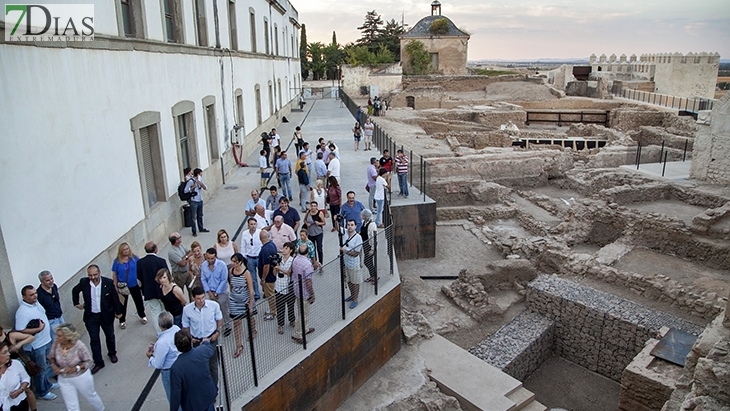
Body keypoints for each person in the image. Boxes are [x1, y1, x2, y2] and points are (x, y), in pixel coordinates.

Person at [71, 265, 122, 375]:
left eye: (95, 275)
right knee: (94, 340)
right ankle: (98, 362)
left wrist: (118, 312)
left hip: (106, 315)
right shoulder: (84, 282)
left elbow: (114, 297)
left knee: (110, 336)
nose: (93, 277)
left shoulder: (107, 283)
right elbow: (75, 291)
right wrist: (76, 303)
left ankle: (112, 353)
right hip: (91, 316)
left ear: (99, 273)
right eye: (90, 275)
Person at [14, 285, 56, 400]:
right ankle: (42, 392)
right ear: (24, 296)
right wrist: (37, 330)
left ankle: (47, 385)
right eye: (31, 295)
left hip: (46, 341)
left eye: (35, 293)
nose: (35, 296)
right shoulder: (22, 312)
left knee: (45, 365)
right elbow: (20, 330)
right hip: (36, 346)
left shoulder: (36, 303)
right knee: (40, 370)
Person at [49, 323, 104, 411]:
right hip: (64, 378)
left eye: (59, 336)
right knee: (71, 406)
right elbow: (51, 356)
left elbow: (89, 361)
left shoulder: (79, 346)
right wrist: (53, 366)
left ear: (67, 337)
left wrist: (76, 368)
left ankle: (100, 409)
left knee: (91, 396)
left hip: (81, 377)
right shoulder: (56, 344)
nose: (56, 338)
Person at [181, 287, 222, 386]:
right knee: (199, 366)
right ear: (193, 298)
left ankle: (214, 388)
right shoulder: (187, 310)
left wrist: (217, 332)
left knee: (213, 365)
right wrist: (190, 337)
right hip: (197, 342)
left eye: (203, 297)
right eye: (198, 298)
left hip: (211, 339)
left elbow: (219, 319)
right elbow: (185, 325)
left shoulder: (214, 306)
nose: (201, 300)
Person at [169, 329, 218, 411]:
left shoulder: (176, 367)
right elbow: (210, 349)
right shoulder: (202, 351)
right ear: (191, 341)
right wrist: (206, 342)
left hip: (192, 405)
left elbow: (175, 394)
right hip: (207, 396)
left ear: (176, 346)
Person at [145, 312, 180, 406]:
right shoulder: (176, 329)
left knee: (173, 398)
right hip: (180, 367)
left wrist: (150, 357)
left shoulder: (162, 342)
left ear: (160, 325)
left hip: (169, 372)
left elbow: (158, 364)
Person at [0, 326, 36, 411]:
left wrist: (17, 346)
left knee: (28, 390)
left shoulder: (10, 336)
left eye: (8, 351)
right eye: (5, 352)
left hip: (16, 367)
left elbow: (31, 337)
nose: (8, 353)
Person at [111, 243, 145, 330]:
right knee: (122, 304)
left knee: (139, 301)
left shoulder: (134, 258)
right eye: (124, 249)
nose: (126, 251)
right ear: (121, 251)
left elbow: (141, 269)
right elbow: (114, 274)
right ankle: (122, 321)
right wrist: (115, 286)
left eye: (127, 249)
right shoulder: (117, 261)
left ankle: (142, 315)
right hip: (123, 286)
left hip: (134, 284)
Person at [228, 253, 256, 357]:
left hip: (245, 300)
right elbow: (231, 285)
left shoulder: (246, 273)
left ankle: (253, 330)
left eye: (235, 261)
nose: (233, 263)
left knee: (250, 317)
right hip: (234, 300)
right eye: (232, 261)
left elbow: (251, 289)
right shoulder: (231, 271)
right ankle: (239, 345)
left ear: (240, 262)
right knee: (236, 322)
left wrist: (250, 303)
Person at [138, 241, 168, 333]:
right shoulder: (161, 261)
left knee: (155, 313)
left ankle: (159, 333)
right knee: (164, 311)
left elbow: (139, 280)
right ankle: (167, 331)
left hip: (149, 291)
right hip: (162, 290)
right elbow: (168, 277)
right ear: (155, 249)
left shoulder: (140, 263)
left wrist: (143, 290)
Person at [290, 244, 315, 344]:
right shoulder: (307, 264)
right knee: (304, 314)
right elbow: (308, 281)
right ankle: (297, 333)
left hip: (296, 289)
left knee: (301, 310)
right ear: (308, 252)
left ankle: (304, 329)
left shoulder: (295, 259)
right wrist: (312, 294)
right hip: (304, 292)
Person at [201, 248, 230, 324]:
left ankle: (227, 324)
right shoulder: (204, 265)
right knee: (209, 311)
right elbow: (203, 279)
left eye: (212, 258)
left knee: (224, 309)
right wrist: (210, 293)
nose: (210, 260)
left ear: (216, 257)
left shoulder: (222, 265)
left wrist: (217, 292)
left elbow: (224, 280)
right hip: (209, 292)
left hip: (221, 292)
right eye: (208, 258)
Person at [36, 270, 65, 343]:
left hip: (59, 316)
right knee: (57, 341)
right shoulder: (39, 294)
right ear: (42, 282)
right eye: (47, 280)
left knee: (65, 337)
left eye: (51, 278)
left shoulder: (54, 287)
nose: (51, 281)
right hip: (51, 320)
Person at [274, 242, 295, 335]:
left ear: (290, 250)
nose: (284, 250)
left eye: (286, 248)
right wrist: (275, 266)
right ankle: (280, 325)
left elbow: (289, 273)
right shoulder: (279, 259)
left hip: (289, 286)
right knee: (280, 307)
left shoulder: (292, 260)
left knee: (290, 306)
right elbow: (274, 273)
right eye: (284, 248)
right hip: (278, 286)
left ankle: (292, 320)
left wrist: (279, 268)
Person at [342, 220, 364, 309]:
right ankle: (352, 295)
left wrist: (345, 251)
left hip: (353, 264)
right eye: (348, 224)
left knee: (355, 282)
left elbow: (356, 253)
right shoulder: (345, 233)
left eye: (352, 225)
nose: (350, 226)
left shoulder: (358, 237)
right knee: (349, 281)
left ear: (355, 226)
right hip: (346, 263)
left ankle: (355, 299)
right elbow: (337, 228)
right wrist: (336, 219)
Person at [239, 218, 263, 300]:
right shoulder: (245, 234)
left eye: (254, 224)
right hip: (250, 258)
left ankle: (264, 290)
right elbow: (243, 246)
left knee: (262, 275)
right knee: (253, 278)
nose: (253, 226)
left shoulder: (260, 232)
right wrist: (244, 259)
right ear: (248, 225)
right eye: (251, 224)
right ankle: (256, 293)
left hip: (259, 257)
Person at [258, 230, 279, 322]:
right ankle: (272, 309)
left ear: (260, 239)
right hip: (272, 274)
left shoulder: (265, 250)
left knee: (270, 295)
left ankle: (273, 312)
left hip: (268, 277)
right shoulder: (272, 245)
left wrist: (263, 278)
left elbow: (266, 266)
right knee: (271, 294)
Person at [168, 232, 193, 299]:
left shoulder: (181, 246)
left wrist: (185, 257)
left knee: (191, 290)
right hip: (179, 275)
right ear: (176, 240)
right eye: (179, 237)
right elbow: (182, 264)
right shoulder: (172, 252)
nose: (181, 238)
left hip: (187, 272)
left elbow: (190, 252)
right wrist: (187, 258)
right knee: (179, 293)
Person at [185, 167, 209, 237]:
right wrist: (193, 187)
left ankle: (201, 228)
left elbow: (206, 188)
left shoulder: (200, 180)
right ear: (197, 174)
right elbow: (186, 190)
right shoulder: (190, 181)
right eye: (200, 174)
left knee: (200, 215)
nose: (201, 175)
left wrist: (201, 183)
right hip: (194, 200)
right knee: (193, 217)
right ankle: (194, 231)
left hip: (200, 199)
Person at [305, 200, 326, 266]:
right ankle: (315, 262)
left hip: (318, 233)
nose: (313, 207)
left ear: (317, 207)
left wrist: (319, 223)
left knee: (319, 248)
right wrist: (307, 223)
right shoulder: (308, 212)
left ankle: (321, 263)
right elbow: (304, 220)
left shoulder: (320, 213)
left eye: (314, 206)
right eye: (312, 206)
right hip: (310, 233)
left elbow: (324, 223)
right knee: (312, 249)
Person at [360, 209, 378, 283]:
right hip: (365, 244)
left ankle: (374, 276)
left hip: (370, 246)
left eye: (363, 215)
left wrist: (373, 249)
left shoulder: (371, 225)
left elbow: (374, 238)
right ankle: (372, 276)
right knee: (369, 261)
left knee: (367, 261)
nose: (362, 216)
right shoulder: (364, 222)